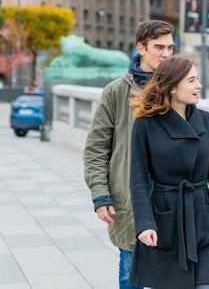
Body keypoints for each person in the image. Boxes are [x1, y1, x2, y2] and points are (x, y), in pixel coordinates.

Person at [128, 57, 209, 289]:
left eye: (197, 79)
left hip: (204, 219)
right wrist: (145, 223)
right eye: (191, 80)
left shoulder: (206, 120)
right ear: (171, 86)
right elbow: (138, 180)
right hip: (166, 222)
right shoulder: (146, 124)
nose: (199, 85)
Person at [83, 20, 175, 289]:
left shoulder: (178, 88)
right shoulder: (116, 91)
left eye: (170, 47)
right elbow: (96, 148)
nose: (166, 54)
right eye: (159, 47)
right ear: (140, 48)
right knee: (130, 273)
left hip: (171, 197)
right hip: (131, 196)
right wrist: (100, 195)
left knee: (171, 276)